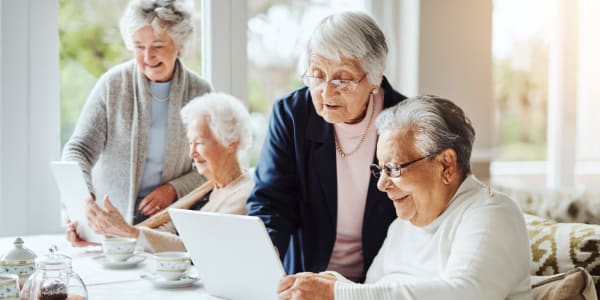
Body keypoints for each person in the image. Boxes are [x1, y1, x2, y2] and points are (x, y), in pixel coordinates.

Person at [277, 96, 533, 300]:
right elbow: (370, 292)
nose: (381, 184)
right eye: (379, 169)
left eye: (394, 169)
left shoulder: (491, 213)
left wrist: (338, 293)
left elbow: (465, 293)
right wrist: (329, 283)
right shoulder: (402, 226)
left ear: (446, 165)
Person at [246, 11, 407, 282]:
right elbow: (271, 201)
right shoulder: (292, 115)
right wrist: (267, 255)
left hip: (382, 281)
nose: (326, 92)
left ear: (375, 77)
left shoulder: (406, 120)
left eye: (342, 79)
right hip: (308, 276)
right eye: (317, 76)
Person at [62, 0, 212, 225]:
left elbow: (213, 165)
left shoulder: (200, 92)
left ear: (179, 44)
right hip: (111, 218)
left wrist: (174, 189)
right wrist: (84, 201)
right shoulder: (112, 85)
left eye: (158, 46)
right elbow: (78, 149)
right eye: (139, 47)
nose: (148, 56)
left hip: (171, 220)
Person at [67, 92, 254, 253]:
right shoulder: (207, 188)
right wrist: (101, 236)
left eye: (199, 143)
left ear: (231, 142)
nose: (192, 153)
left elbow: (199, 248)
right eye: (190, 143)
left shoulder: (246, 194)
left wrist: (128, 232)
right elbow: (163, 232)